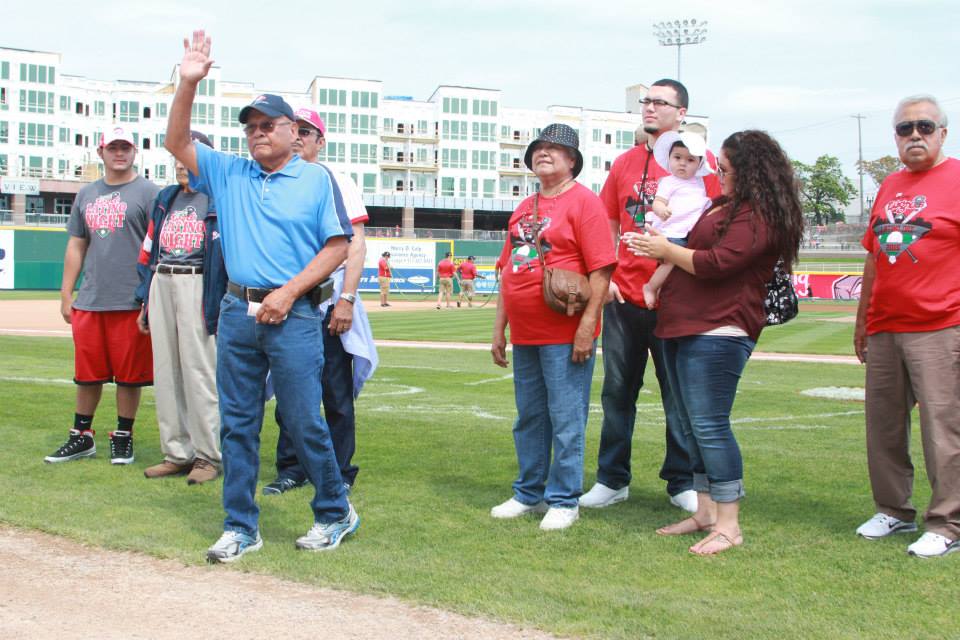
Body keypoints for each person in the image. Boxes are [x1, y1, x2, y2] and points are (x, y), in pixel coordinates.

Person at [165, 30, 358, 562]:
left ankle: (335, 512)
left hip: (293, 314)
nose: (255, 134)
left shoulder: (317, 179)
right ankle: (240, 526)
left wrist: (289, 292)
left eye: (266, 125)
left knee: (303, 420)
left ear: (294, 131)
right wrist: (188, 83)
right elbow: (177, 141)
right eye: (250, 127)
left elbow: (339, 246)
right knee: (238, 424)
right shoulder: (230, 173)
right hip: (236, 310)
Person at [628, 130, 803, 555]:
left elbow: (717, 263)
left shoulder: (759, 214)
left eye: (723, 167)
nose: (717, 173)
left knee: (709, 425)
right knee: (689, 424)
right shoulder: (726, 205)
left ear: (749, 170)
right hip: (684, 323)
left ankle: (729, 523)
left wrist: (665, 249)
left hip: (720, 328)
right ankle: (706, 511)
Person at [580, 80, 720, 513]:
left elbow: (718, 218)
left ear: (682, 113)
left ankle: (680, 480)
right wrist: (608, 276)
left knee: (677, 393)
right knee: (617, 391)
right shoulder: (624, 162)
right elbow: (608, 220)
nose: (649, 107)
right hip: (625, 296)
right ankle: (612, 479)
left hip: (677, 295)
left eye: (660, 102)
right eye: (646, 101)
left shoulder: (703, 161)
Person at [490, 123, 616, 531]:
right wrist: (499, 329)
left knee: (566, 418)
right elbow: (508, 272)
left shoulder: (585, 203)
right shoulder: (524, 207)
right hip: (525, 331)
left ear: (572, 160)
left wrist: (587, 326)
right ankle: (529, 492)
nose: (543, 153)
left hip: (565, 332)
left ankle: (563, 498)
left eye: (554, 149)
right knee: (529, 417)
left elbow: (601, 270)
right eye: (538, 148)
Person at [853, 94, 960, 558]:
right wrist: (863, 320)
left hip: (941, 324)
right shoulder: (889, 184)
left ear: (942, 133)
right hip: (885, 325)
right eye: (904, 129)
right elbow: (875, 257)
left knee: (942, 428)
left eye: (924, 127)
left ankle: (948, 522)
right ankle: (894, 510)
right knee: (883, 427)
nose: (914, 135)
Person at [262, 108, 378, 496]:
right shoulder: (276, 180)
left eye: (307, 131)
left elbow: (355, 243)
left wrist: (346, 299)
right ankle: (292, 467)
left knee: (336, 394)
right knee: (290, 392)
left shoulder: (335, 179)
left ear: (319, 140)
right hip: (289, 303)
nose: (298, 137)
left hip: (326, 301)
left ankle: (340, 472)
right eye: (293, 128)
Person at [45, 126, 159, 466]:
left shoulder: (150, 193)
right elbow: (77, 244)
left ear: (135, 152)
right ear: (101, 153)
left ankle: (123, 436)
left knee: (129, 375)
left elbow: (157, 250)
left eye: (125, 147)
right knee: (88, 373)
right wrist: (67, 292)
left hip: (130, 299)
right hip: (91, 298)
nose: (119, 153)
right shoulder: (87, 194)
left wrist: (150, 297)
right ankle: (82, 436)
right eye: (113, 147)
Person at [135, 131, 225, 485]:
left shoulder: (218, 197)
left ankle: (207, 456)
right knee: (167, 371)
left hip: (197, 282)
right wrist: (143, 298)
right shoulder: (165, 198)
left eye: (189, 155)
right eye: (177, 155)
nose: (180, 163)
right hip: (163, 281)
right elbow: (148, 251)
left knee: (199, 371)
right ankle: (176, 452)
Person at [642, 130, 713, 309]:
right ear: (670, 159)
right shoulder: (669, 182)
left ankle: (659, 290)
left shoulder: (698, 183)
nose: (683, 164)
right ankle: (650, 287)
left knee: (679, 267)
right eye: (678, 158)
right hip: (671, 231)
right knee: (671, 261)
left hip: (687, 232)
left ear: (699, 164)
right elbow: (658, 202)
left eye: (690, 160)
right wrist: (661, 210)